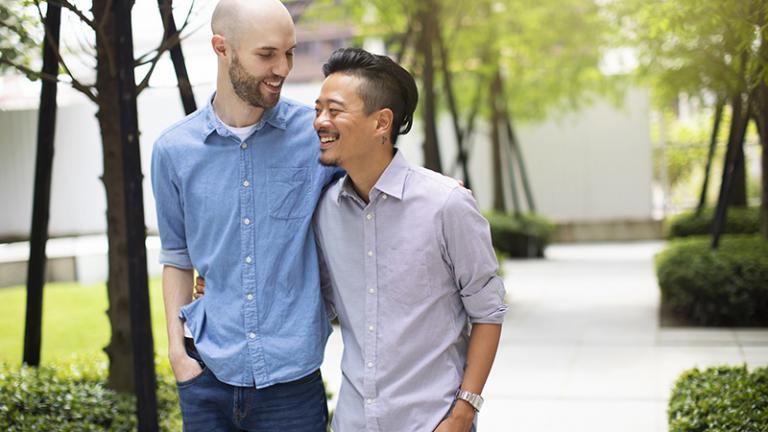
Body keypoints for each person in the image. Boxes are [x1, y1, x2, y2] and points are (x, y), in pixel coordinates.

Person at [150, 0, 340, 430]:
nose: (283, 68)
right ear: (223, 48)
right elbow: (177, 258)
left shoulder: (316, 136)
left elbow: (376, 181)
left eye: (289, 52)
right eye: (267, 54)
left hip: (292, 384)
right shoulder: (173, 151)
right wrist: (177, 355)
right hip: (207, 377)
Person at [312, 48, 507, 431]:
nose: (320, 121)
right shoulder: (326, 212)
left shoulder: (446, 204)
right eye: (318, 109)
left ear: (382, 122)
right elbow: (318, 301)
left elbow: (488, 312)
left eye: (334, 111)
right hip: (353, 423)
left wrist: (463, 413)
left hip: (431, 422)